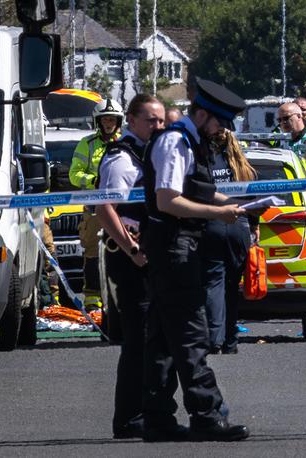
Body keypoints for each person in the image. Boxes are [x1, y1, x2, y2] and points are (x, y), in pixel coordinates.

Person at [140, 77, 251, 442]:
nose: (221, 131)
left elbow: (197, 187)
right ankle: (207, 415)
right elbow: (167, 200)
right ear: (201, 115)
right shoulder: (176, 142)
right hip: (175, 249)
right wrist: (216, 214)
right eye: (218, 122)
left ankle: (157, 418)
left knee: (161, 341)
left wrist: (230, 202)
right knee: (191, 336)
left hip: (172, 249)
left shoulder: (189, 141)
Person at [95, 94, 166, 439]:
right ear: (133, 121)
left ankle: (146, 412)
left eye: (162, 120)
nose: (159, 126)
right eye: (152, 120)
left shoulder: (147, 153)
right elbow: (105, 208)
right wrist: (133, 249)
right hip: (130, 259)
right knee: (137, 342)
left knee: (150, 340)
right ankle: (128, 417)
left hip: (146, 257)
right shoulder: (122, 157)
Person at [201, 129, 258, 355]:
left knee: (213, 283)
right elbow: (255, 201)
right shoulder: (245, 168)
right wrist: (254, 227)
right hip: (240, 228)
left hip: (213, 224)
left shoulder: (206, 165)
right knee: (232, 286)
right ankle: (231, 341)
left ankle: (214, 339)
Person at [69, 98, 123, 311]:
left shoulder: (125, 142)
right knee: (92, 251)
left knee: (120, 249)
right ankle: (92, 299)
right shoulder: (87, 143)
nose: (108, 123)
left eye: (112, 119)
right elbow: (74, 174)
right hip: (93, 207)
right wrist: (93, 181)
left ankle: (117, 296)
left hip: (120, 207)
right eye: (105, 119)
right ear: (98, 121)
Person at [276, 102, 306, 175]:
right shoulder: (279, 140)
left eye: (286, 118)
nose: (283, 122)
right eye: (279, 120)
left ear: (299, 116)